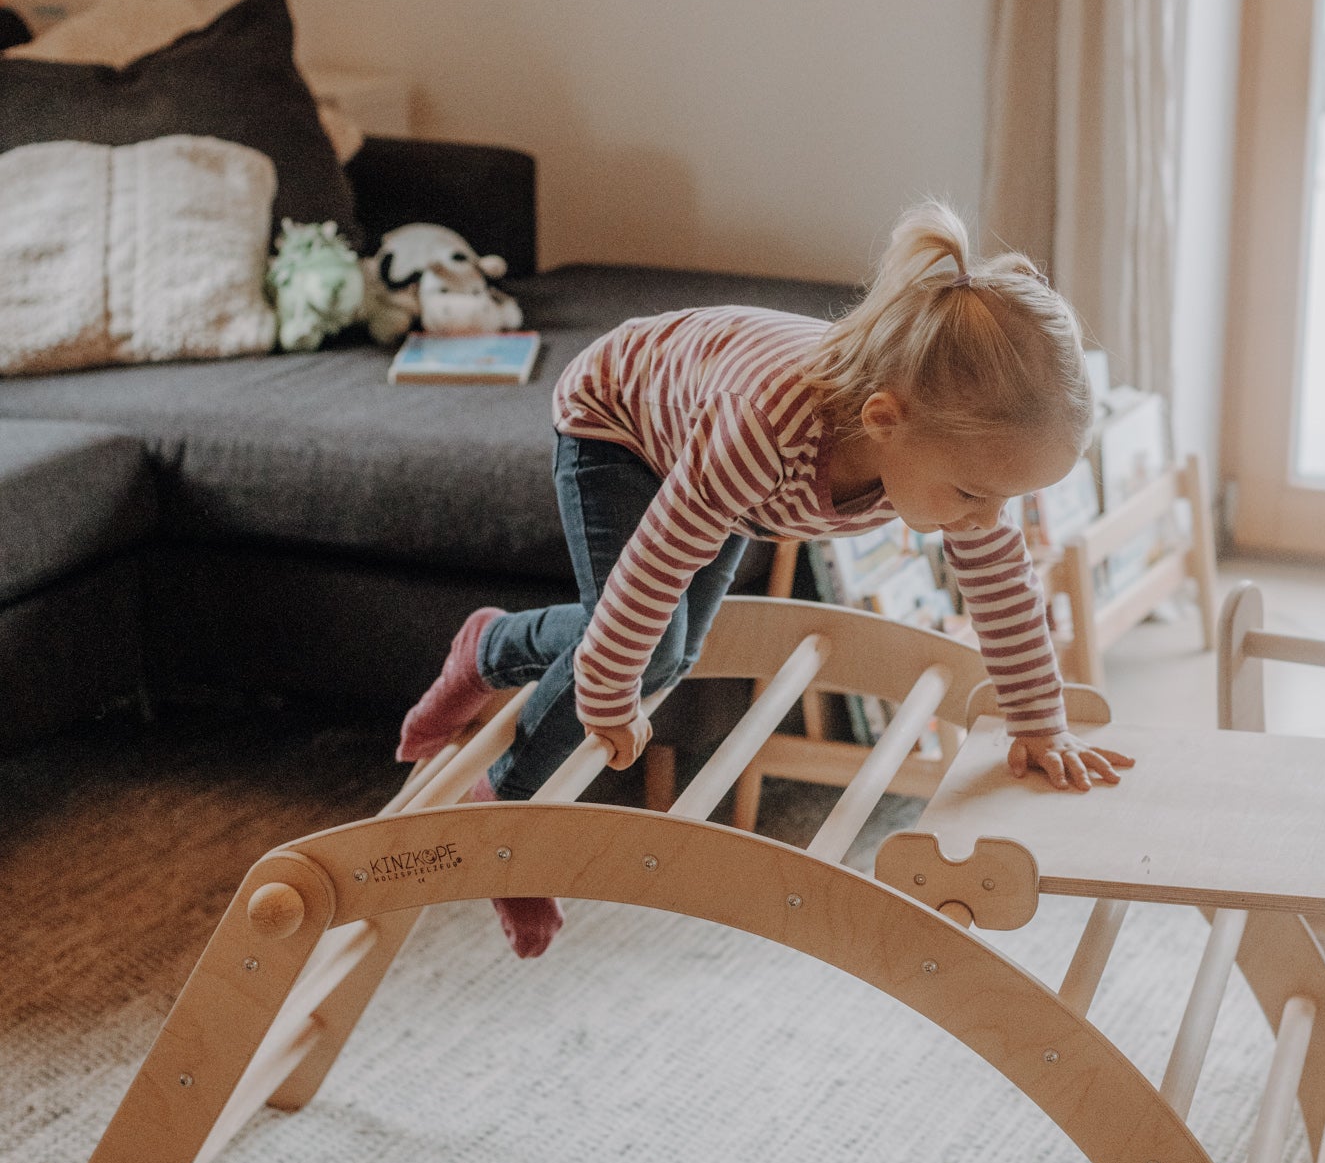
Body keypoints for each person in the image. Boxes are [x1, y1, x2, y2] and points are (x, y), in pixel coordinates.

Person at [399, 201, 1131, 956]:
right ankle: (504, 803)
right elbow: (657, 560)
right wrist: (609, 694)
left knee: (675, 654)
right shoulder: (766, 431)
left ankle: (487, 645)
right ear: (883, 421)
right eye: (975, 496)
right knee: (643, 651)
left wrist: (1038, 722)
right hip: (619, 423)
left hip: (711, 457)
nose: (987, 519)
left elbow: (1002, 584)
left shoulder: (949, 462)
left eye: (1007, 499)